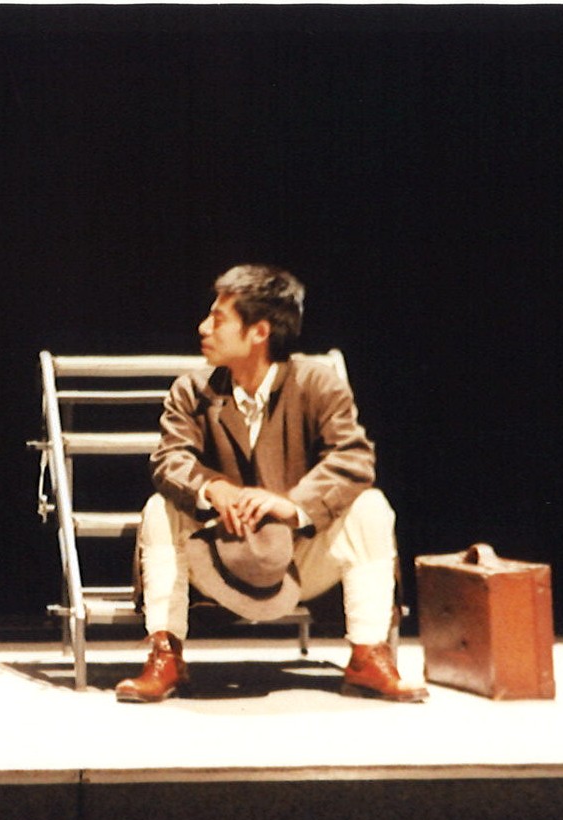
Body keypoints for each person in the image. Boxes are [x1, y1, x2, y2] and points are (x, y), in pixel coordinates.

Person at [115, 264, 427, 704]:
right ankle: (166, 656)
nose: (204, 328)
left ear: (259, 332)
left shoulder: (317, 384)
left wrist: (290, 505)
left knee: (370, 506)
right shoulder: (193, 391)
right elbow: (170, 459)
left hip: (299, 558)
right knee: (159, 510)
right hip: (218, 557)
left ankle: (367, 657)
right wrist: (213, 488)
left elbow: (353, 457)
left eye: (218, 319)